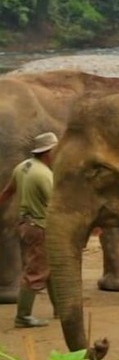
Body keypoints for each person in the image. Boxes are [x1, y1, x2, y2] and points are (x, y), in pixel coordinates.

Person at [0, 132, 59, 327]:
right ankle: (23, 317)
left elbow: (7, 192)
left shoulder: (23, 167)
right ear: (49, 151)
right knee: (35, 271)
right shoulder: (45, 175)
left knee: (51, 267)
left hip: (26, 225)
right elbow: (56, 207)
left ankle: (61, 309)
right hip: (40, 227)